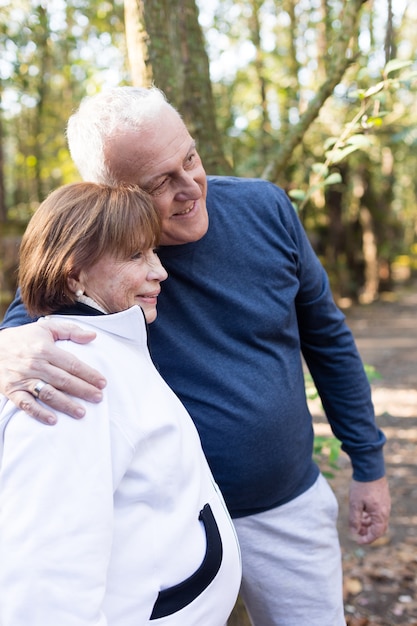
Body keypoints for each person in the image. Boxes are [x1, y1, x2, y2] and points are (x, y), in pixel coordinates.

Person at [0, 87, 391, 626]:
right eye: (160, 182)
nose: (191, 188)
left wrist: (368, 462)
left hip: (285, 507)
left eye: (190, 158)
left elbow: (327, 337)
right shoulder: (93, 260)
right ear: (113, 194)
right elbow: (29, 327)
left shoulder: (265, 208)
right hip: (166, 537)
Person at [0, 182, 242, 626]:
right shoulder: (68, 379)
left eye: (153, 252)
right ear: (74, 273)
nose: (159, 272)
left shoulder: (110, 346)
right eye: (136, 256)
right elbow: (43, 584)